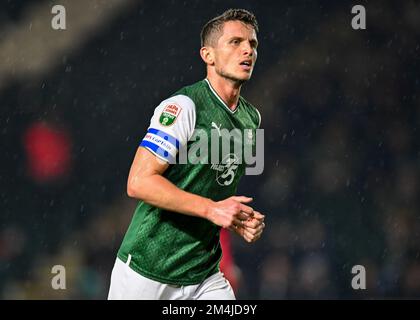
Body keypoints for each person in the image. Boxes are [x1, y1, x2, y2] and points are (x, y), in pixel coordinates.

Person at [108, 8, 265, 300]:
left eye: (253, 44)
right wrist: (211, 209)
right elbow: (138, 182)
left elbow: (215, 186)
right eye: (236, 42)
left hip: (204, 274)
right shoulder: (184, 106)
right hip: (147, 269)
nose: (248, 50)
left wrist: (238, 220)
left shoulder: (251, 119)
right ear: (208, 55)